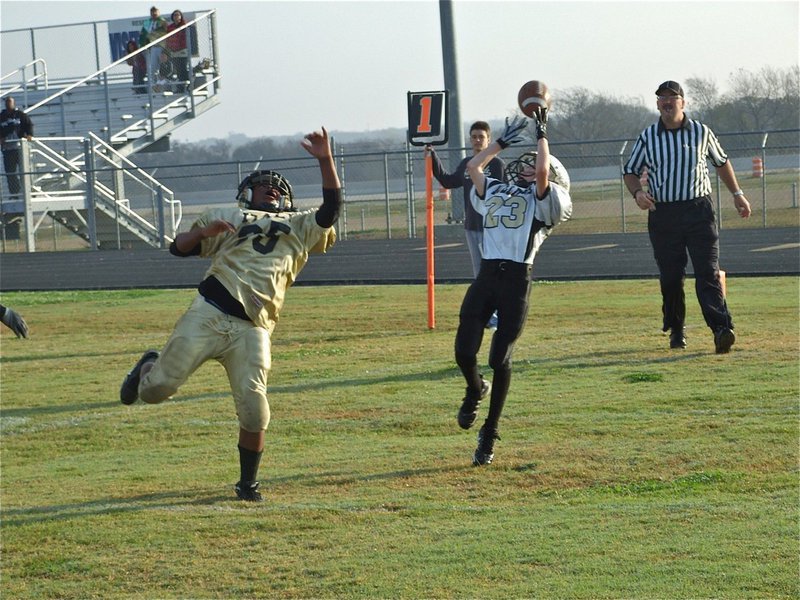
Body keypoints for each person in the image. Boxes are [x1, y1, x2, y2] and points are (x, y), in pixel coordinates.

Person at [119, 126, 341, 502]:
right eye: (263, 185)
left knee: (256, 410)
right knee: (156, 390)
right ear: (246, 193)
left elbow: (331, 209)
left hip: (253, 328)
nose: (272, 189)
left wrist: (325, 160)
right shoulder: (229, 216)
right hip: (209, 311)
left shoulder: (302, 226)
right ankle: (147, 365)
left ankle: (248, 484)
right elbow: (180, 249)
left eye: (279, 188)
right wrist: (204, 231)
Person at [455, 110, 572, 466]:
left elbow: (540, 173)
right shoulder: (498, 188)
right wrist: (499, 143)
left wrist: (541, 133)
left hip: (516, 280)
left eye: (536, 168)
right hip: (487, 274)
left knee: (498, 357)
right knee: (463, 350)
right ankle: (476, 389)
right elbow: (474, 168)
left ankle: (489, 432)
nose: (527, 169)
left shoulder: (546, 200)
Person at [623, 80, 751, 353]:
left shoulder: (700, 132)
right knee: (671, 276)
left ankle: (721, 329)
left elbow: (721, 162)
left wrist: (737, 193)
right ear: (657, 104)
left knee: (707, 272)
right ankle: (676, 329)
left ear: (683, 102)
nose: (667, 102)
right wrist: (637, 194)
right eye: (662, 98)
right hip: (664, 213)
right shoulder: (648, 137)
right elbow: (630, 171)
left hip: (698, 210)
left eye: (672, 97)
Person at [425, 122, 505, 329]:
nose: (478, 140)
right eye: (474, 137)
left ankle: (497, 312)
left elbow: (506, 195)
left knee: (496, 271)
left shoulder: (497, 165)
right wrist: (433, 156)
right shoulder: (467, 164)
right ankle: (488, 316)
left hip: (494, 227)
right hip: (473, 227)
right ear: (470, 140)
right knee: (479, 273)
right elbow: (448, 181)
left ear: (489, 139)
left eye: (481, 136)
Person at [0, 96, 34, 197]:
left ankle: (28, 191)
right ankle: (14, 193)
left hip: (20, 148)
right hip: (8, 149)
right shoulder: (1, 116)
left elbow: (29, 125)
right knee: (10, 172)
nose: (8, 104)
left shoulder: (20, 115)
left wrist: (29, 135)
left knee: (25, 170)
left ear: (14, 103)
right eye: (7, 102)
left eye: (10, 102)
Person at [138, 6, 168, 91]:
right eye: (152, 12)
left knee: (164, 68)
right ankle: (155, 85)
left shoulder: (162, 21)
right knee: (153, 68)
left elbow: (166, 31)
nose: (154, 14)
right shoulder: (148, 22)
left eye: (155, 12)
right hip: (153, 47)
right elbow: (144, 34)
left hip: (162, 46)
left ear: (158, 12)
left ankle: (164, 85)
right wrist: (143, 45)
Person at [165, 9, 190, 93]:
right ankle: (180, 88)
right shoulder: (170, 27)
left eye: (178, 15)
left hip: (182, 50)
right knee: (178, 70)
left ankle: (187, 86)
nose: (176, 16)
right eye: (175, 15)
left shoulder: (184, 25)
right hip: (173, 51)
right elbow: (167, 39)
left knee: (183, 69)